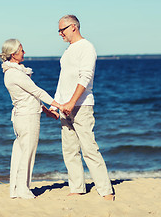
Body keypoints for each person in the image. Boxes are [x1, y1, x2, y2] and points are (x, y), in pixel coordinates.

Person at [50, 15, 115, 201]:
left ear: (73, 27)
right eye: (59, 31)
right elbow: (63, 81)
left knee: (89, 149)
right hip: (64, 107)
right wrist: (55, 104)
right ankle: (77, 188)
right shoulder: (68, 51)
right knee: (69, 150)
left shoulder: (87, 47)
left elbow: (85, 78)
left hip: (81, 106)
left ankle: (106, 190)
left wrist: (72, 102)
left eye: (62, 30)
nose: (60, 34)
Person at [0, 39, 61, 199]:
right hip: (27, 119)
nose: (24, 52)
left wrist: (47, 111)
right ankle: (23, 190)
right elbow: (37, 91)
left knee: (20, 153)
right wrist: (58, 104)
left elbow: (30, 96)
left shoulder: (13, 72)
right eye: (21, 50)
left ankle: (15, 189)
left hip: (22, 117)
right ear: (13, 54)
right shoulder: (15, 74)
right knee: (27, 154)